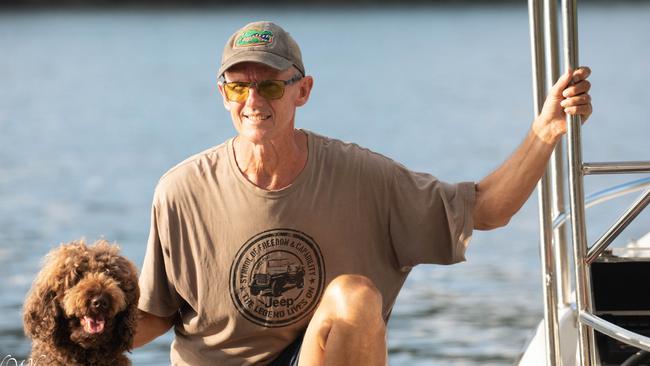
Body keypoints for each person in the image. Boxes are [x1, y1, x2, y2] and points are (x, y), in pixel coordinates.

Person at [133, 21, 592, 366]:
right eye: (238, 87)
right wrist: (70, 335)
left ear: (303, 91)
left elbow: (489, 209)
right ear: (223, 94)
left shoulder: (361, 177)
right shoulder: (180, 191)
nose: (253, 102)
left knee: (355, 296)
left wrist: (546, 130)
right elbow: (154, 314)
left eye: (270, 85)